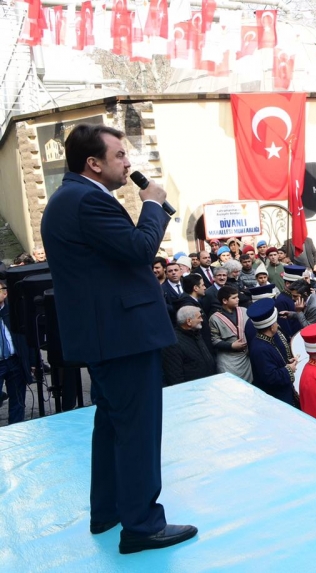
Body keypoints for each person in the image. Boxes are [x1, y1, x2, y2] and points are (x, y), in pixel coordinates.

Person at [39, 123, 196, 553]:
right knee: (137, 430)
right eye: (120, 155)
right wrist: (153, 205)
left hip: (108, 334)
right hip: (123, 335)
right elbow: (139, 250)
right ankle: (142, 525)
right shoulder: (88, 200)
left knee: (111, 424)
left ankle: (107, 510)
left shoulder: (71, 198)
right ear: (93, 163)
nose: (128, 163)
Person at [247, 299, 297, 407]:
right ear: (271, 327)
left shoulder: (266, 340)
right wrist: (289, 369)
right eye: (276, 323)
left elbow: (274, 361)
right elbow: (270, 377)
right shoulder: (260, 349)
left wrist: (287, 362)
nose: (277, 325)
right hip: (276, 400)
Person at [161, 306, 216, 386]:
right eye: (199, 317)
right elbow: (175, 376)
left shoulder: (196, 334)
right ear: (189, 321)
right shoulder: (173, 343)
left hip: (207, 385)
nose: (202, 320)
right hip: (192, 390)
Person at [0, 279, 30, 424]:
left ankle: (16, 430)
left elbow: (25, 337)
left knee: (18, 401)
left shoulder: (14, 312)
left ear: (5, 293)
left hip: (14, 361)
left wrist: (31, 361)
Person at [208, 285, 252, 382]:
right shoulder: (215, 318)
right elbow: (214, 340)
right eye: (234, 298)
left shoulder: (244, 311)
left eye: (237, 297)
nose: (238, 299)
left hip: (245, 357)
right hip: (228, 360)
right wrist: (231, 346)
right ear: (224, 301)